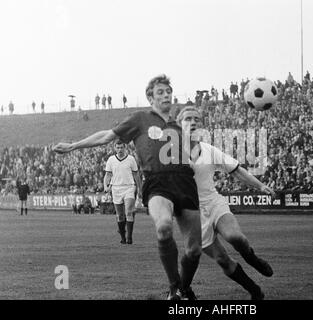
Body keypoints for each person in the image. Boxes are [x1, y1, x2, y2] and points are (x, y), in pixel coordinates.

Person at [53, 74, 202, 300]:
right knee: (163, 227)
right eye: (160, 92)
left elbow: (194, 155)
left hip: (185, 183)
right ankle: (174, 289)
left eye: (168, 91)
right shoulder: (140, 118)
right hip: (157, 183)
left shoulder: (180, 125)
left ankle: (184, 287)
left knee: (194, 250)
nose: (165, 95)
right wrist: (74, 145)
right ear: (150, 97)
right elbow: (107, 136)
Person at [177, 106, 274, 300]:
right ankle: (255, 291)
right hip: (193, 213)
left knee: (235, 237)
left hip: (213, 202)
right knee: (223, 260)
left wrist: (260, 186)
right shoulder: (171, 155)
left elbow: (236, 170)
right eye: (188, 119)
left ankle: (252, 258)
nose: (193, 122)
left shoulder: (210, 150)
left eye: (197, 119)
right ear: (179, 125)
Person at [104, 140, 141, 244]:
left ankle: (129, 237)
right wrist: (105, 186)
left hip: (129, 187)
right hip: (116, 189)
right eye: (118, 148)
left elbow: (136, 175)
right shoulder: (111, 160)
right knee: (120, 215)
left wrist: (139, 189)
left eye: (121, 148)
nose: (120, 150)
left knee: (129, 211)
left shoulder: (131, 159)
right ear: (115, 148)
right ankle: (122, 237)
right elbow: (107, 175)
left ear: (125, 148)